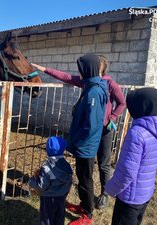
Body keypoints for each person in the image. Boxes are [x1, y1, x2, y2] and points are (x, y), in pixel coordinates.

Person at [32, 53, 108, 225]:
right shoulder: (91, 85)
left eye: (81, 69)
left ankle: (87, 215)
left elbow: (92, 125)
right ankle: (84, 206)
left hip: (85, 147)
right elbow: (66, 77)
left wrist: (77, 143)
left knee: (85, 179)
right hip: (84, 144)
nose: (78, 72)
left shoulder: (94, 92)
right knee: (82, 177)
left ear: (88, 69)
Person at [105, 87, 157, 225]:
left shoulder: (137, 134)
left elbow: (127, 171)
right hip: (145, 193)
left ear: (139, 108)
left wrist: (111, 188)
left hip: (130, 197)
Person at [95, 56, 126, 209]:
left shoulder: (110, 83)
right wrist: (44, 69)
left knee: (103, 163)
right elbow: (67, 77)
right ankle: (85, 191)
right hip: (91, 129)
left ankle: (104, 193)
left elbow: (122, 102)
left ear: (101, 68)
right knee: (86, 160)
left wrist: (111, 118)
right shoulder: (89, 82)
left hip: (105, 130)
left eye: (95, 65)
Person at [28, 136, 73, 225]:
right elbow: (69, 182)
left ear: (47, 150)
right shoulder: (67, 166)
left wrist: (32, 181)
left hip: (48, 199)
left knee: (46, 219)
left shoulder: (46, 167)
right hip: (61, 198)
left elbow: (41, 187)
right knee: (59, 218)